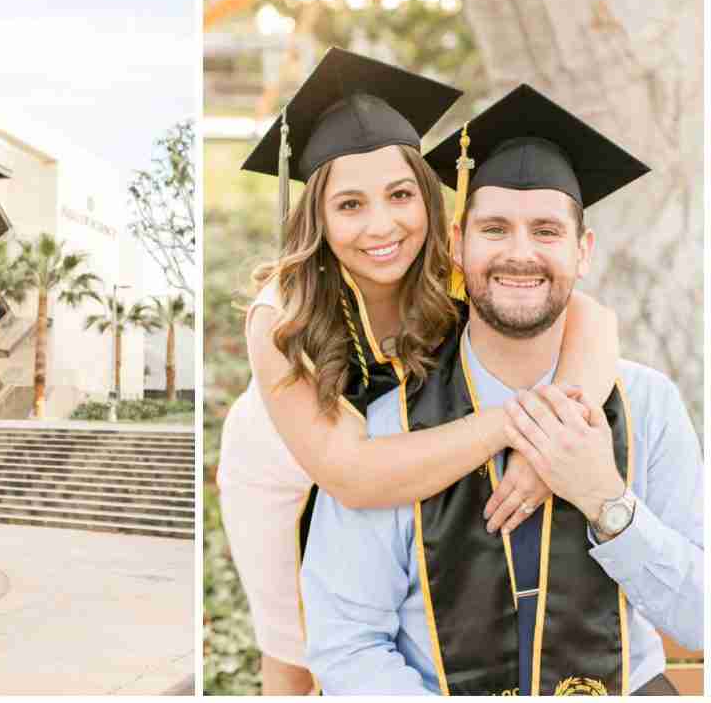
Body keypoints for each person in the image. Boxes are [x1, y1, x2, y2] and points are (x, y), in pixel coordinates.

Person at [216, 48, 621, 695]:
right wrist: (518, 427)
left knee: (408, 622)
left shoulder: (449, 267)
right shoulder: (282, 314)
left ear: (427, 200)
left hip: (421, 440)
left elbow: (593, 320)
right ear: (316, 216)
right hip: (287, 470)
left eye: (400, 195)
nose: (382, 226)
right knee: (299, 647)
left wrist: (552, 447)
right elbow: (350, 475)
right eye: (350, 205)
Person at [300, 84, 703, 695]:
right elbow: (348, 643)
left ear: (583, 251)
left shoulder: (647, 406)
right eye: (495, 229)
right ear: (458, 245)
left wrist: (605, 500)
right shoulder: (390, 426)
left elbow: (699, 619)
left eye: (545, 231)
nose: (520, 254)